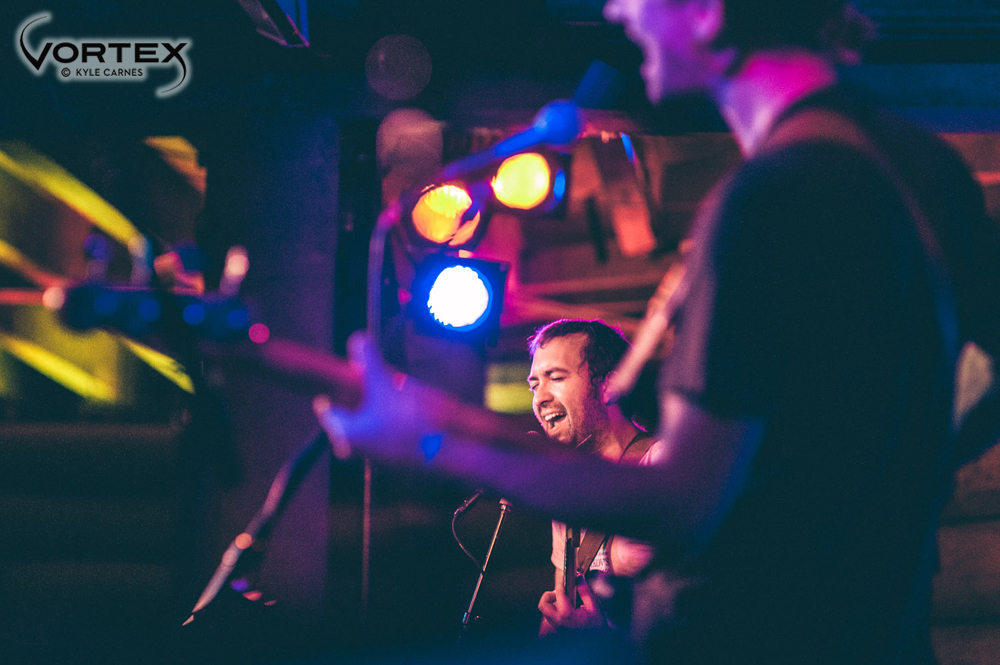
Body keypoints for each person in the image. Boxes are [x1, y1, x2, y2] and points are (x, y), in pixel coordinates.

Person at [315, 0, 1000, 661]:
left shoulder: (768, 198)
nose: (617, 11)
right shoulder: (924, 168)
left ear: (707, 10)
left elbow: (681, 499)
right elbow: (980, 397)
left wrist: (434, 443)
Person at [526, 319, 661, 636]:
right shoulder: (567, 487)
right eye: (534, 385)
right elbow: (562, 610)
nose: (540, 397)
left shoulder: (658, 467)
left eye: (555, 378)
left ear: (609, 386)